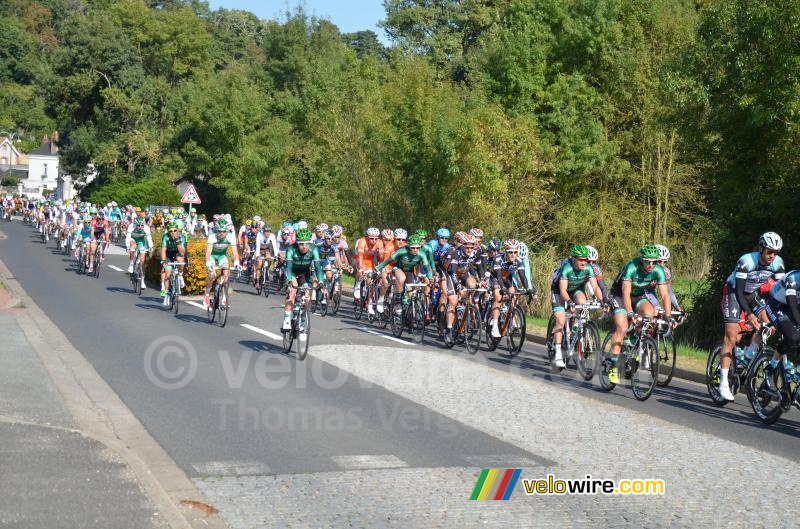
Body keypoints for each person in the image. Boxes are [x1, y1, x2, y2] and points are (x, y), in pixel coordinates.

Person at [717, 232, 785, 401]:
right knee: (732, 337)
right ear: (761, 248)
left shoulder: (778, 264)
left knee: (770, 324)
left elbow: (780, 294)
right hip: (734, 292)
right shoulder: (746, 261)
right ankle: (723, 382)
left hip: (752, 293)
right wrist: (749, 314)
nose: (772, 256)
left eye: (775, 252)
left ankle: (748, 355)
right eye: (769, 251)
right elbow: (739, 291)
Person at [606, 245, 675, 385]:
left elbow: (665, 295)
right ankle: (613, 367)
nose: (651, 265)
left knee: (649, 314)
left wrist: (668, 316)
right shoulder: (631, 266)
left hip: (638, 296)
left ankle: (635, 340)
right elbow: (625, 292)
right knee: (622, 326)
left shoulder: (658, 270)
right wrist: (630, 313)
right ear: (642, 260)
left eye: (654, 262)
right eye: (647, 262)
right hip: (619, 295)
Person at [549, 245, 605, 368]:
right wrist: (569, 302)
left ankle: (575, 325)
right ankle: (558, 352)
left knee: (583, 303)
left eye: (585, 259)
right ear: (574, 259)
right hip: (559, 291)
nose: (583, 262)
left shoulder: (588, 268)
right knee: (561, 319)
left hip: (575, 289)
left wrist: (602, 301)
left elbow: (595, 287)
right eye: (580, 259)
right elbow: (563, 290)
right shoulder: (567, 268)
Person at [373, 234, 433, 314]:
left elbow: (427, 267)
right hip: (398, 268)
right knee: (401, 278)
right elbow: (388, 260)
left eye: (418, 248)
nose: (415, 250)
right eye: (413, 248)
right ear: (409, 246)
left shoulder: (422, 254)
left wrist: (430, 277)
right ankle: (398, 300)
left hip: (409, 271)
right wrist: (378, 268)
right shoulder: (402, 250)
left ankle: (408, 314)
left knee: (411, 295)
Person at [281, 228, 323, 340]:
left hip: (305, 273)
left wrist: (321, 282)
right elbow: (289, 268)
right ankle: (286, 319)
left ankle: (303, 324)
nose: (304, 246)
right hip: (293, 272)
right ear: (297, 243)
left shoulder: (314, 249)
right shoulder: (291, 249)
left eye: (307, 244)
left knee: (307, 298)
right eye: (301, 244)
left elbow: (318, 268)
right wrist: (289, 281)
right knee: (293, 291)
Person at [489, 239, 533, 339]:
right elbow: (499, 276)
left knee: (513, 294)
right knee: (498, 296)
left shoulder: (518, 261)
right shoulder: (498, 258)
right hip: (495, 277)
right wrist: (503, 288)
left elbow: (522, 276)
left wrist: (528, 289)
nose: (513, 255)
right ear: (505, 252)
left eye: (515, 252)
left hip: (506, 277)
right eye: (510, 252)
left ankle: (511, 317)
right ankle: (494, 326)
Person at [204, 219, 240, 308]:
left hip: (222, 256)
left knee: (226, 274)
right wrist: (208, 262)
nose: (221, 233)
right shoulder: (212, 236)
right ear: (217, 230)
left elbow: (235, 253)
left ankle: (224, 298)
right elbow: (208, 252)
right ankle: (207, 294)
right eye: (219, 231)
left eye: (224, 231)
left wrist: (236, 262)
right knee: (212, 274)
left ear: (227, 231)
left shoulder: (231, 237)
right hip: (212, 255)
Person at [160, 221, 187, 301]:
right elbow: (163, 250)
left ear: (178, 230)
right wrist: (164, 261)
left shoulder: (182, 237)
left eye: (175, 230)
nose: (173, 232)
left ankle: (180, 275)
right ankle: (166, 291)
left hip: (177, 253)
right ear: (168, 231)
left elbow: (182, 253)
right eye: (170, 231)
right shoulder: (165, 237)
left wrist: (178, 241)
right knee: (167, 274)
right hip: (168, 254)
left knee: (180, 259)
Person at [125, 216, 153, 288]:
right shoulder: (131, 226)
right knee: (132, 247)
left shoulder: (146, 228)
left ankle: (143, 280)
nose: (140, 227)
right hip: (133, 239)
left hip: (141, 241)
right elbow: (128, 237)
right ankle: (131, 263)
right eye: (138, 225)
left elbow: (149, 239)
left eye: (142, 225)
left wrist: (150, 247)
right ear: (135, 224)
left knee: (142, 261)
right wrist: (128, 246)